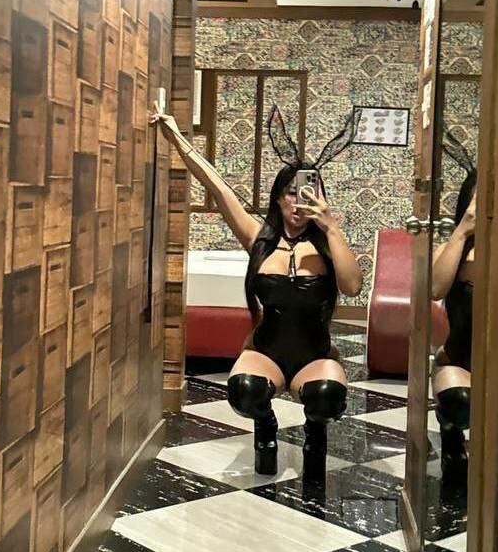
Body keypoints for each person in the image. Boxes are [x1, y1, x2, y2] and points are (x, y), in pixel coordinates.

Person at [149, 102, 363, 481]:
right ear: (278, 198)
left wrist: (330, 226)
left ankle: (315, 430)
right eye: (291, 194)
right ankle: (266, 426)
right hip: (266, 352)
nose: (299, 203)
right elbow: (216, 186)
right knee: (245, 391)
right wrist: (177, 137)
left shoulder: (328, 246)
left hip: (314, 355)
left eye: (308, 194)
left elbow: (353, 286)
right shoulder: (259, 239)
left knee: (327, 397)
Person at [432, 135, 498, 490]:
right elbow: (434, 289)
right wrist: (464, 230)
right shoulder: (460, 252)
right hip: (467, 364)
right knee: (461, 401)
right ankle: (452, 433)